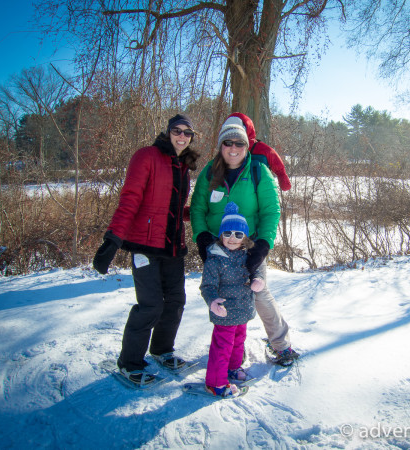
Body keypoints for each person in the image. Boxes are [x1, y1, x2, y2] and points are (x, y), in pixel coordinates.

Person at [92, 114, 200, 385]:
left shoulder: (183, 165)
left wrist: (202, 214)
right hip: (145, 246)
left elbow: (171, 207)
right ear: (168, 132)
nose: (182, 136)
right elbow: (131, 199)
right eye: (177, 130)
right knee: (150, 305)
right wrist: (113, 239)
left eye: (188, 133)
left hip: (174, 246)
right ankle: (129, 363)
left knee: (175, 302)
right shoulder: (147, 156)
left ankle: (162, 349)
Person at [190, 112, 299, 366]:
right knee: (223, 294)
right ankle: (230, 350)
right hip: (219, 245)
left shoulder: (258, 170)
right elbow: (197, 209)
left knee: (258, 292)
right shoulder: (209, 172)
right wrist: (203, 237)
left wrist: (263, 244)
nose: (233, 148)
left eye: (239, 143)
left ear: (246, 146)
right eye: (227, 143)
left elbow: (271, 210)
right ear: (221, 146)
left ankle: (281, 346)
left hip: (250, 245)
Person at [200, 202, 265, 397]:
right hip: (225, 311)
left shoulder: (248, 255)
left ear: (245, 237)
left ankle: (233, 368)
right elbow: (207, 286)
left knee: (239, 341)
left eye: (238, 234)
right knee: (222, 347)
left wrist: (258, 279)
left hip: (243, 309)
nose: (232, 238)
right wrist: (213, 302)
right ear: (221, 235)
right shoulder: (215, 258)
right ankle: (216, 383)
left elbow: (258, 269)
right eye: (227, 233)